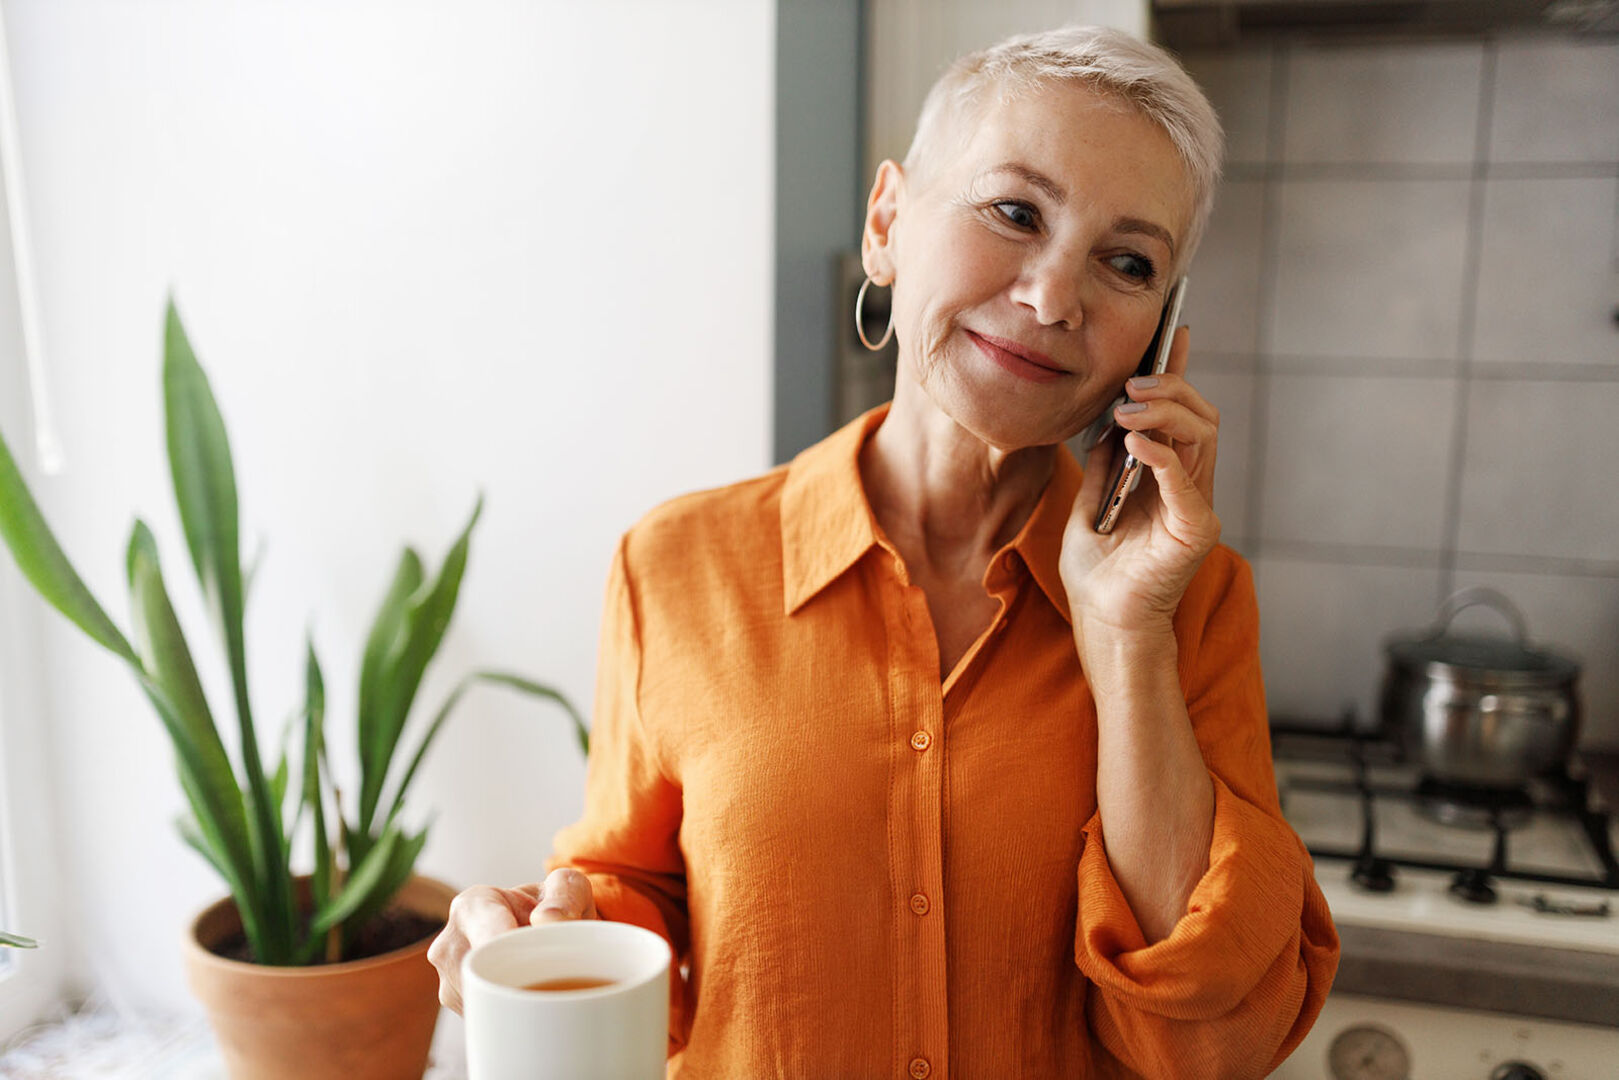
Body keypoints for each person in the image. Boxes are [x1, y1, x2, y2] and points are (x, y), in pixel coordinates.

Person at [430, 24, 1339, 1078]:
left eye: (1125, 262)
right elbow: (641, 898)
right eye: (1013, 211)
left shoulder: (1190, 603)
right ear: (885, 222)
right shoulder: (675, 564)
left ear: (1158, 328)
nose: (1052, 297)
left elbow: (1212, 1043)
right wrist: (548, 933)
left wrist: (1125, 635)